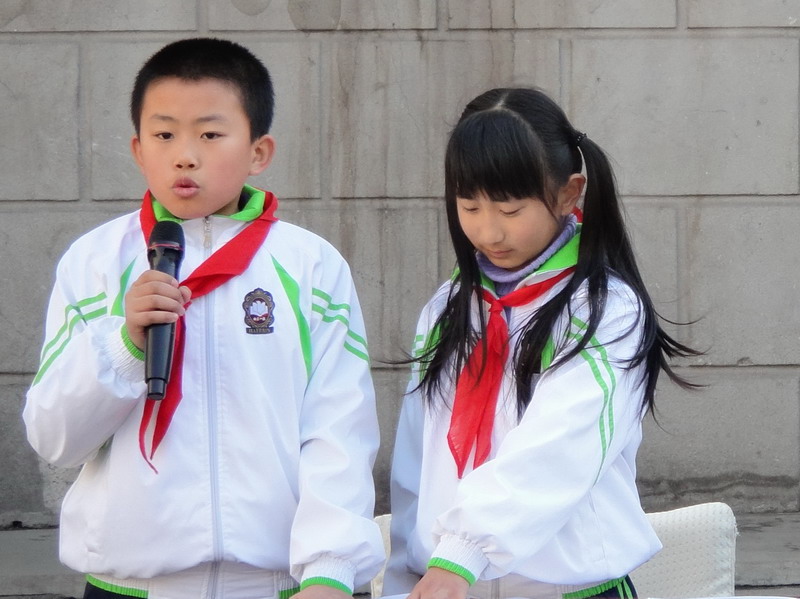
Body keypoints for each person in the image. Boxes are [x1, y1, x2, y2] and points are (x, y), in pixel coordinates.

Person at [23, 37, 384, 599]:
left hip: (278, 585)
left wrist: (330, 568)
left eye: (210, 135)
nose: (184, 155)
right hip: (129, 586)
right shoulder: (94, 262)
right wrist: (125, 345)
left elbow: (339, 426)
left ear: (258, 152)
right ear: (138, 149)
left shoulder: (310, 264)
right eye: (164, 135)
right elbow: (54, 439)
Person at [384, 87, 700, 599]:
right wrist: (408, 573)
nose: (488, 232)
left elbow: (559, 446)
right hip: (449, 584)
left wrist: (463, 552)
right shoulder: (449, 307)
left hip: (566, 589)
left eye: (510, 210)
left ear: (569, 193)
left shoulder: (604, 310)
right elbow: (416, 460)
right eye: (469, 206)